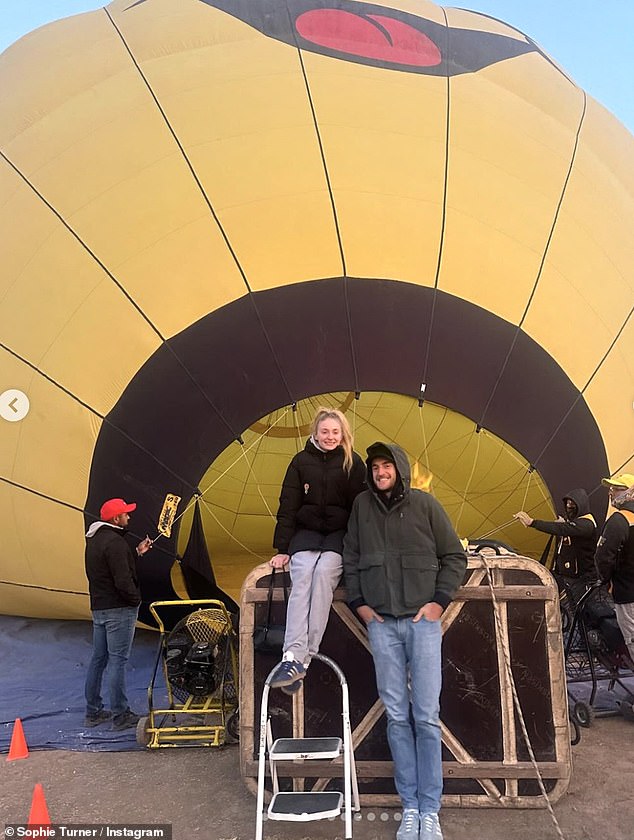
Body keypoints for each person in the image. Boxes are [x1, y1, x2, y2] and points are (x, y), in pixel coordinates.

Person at [343, 442, 467, 840]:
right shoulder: (361, 506)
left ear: (399, 468)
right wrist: (359, 604)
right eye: (375, 467)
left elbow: (454, 556)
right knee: (397, 717)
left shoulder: (426, 506)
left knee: (426, 717)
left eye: (386, 466)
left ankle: (430, 810)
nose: (381, 472)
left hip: (422, 623)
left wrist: (438, 602)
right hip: (381, 624)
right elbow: (350, 555)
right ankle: (409, 807)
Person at [268, 407, 366, 693]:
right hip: (306, 533)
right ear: (315, 432)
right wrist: (282, 547)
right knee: (302, 576)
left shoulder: (352, 463)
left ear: (343, 434)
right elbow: (288, 505)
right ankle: (291, 655)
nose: (330, 437)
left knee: (324, 575)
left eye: (335, 432)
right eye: (325, 432)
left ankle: (305, 656)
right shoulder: (300, 462)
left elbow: (359, 509)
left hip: (338, 534)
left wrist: (358, 546)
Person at [84, 497, 153, 730]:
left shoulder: (94, 541)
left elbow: (112, 566)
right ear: (116, 518)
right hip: (119, 611)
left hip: (100, 609)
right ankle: (120, 715)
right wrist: (136, 601)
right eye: (125, 514)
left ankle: (93, 711)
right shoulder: (115, 543)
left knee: (98, 659)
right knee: (118, 661)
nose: (129, 517)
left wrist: (137, 552)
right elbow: (122, 579)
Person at [514, 489, 597, 583]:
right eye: (568, 503)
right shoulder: (574, 523)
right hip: (566, 575)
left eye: (572, 504)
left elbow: (563, 529)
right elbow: (566, 528)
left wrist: (532, 522)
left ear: (581, 505)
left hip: (581, 578)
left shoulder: (587, 524)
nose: (569, 506)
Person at [594, 474, 634, 663]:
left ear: (631, 493)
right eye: (611, 489)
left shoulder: (619, 520)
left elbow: (603, 557)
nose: (611, 493)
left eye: (617, 489)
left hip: (627, 594)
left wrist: (606, 581)